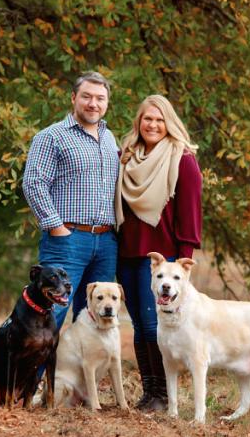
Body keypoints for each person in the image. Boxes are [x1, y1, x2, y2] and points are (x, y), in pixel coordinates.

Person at [115, 94, 202, 411]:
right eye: (147, 118)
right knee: (139, 325)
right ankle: (149, 393)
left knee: (154, 327)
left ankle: (164, 397)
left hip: (164, 260)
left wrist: (183, 264)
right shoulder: (127, 157)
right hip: (127, 254)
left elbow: (190, 216)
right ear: (138, 122)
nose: (153, 124)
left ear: (169, 123)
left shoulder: (183, 160)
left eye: (159, 119)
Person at [23, 71, 119, 329]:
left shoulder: (110, 139)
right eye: (86, 96)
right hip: (67, 239)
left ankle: (78, 372)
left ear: (107, 102)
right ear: (74, 98)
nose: (93, 103)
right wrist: (57, 228)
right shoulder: (51, 136)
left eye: (100, 98)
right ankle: (29, 372)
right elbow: (34, 183)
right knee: (48, 316)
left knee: (93, 320)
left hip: (106, 242)